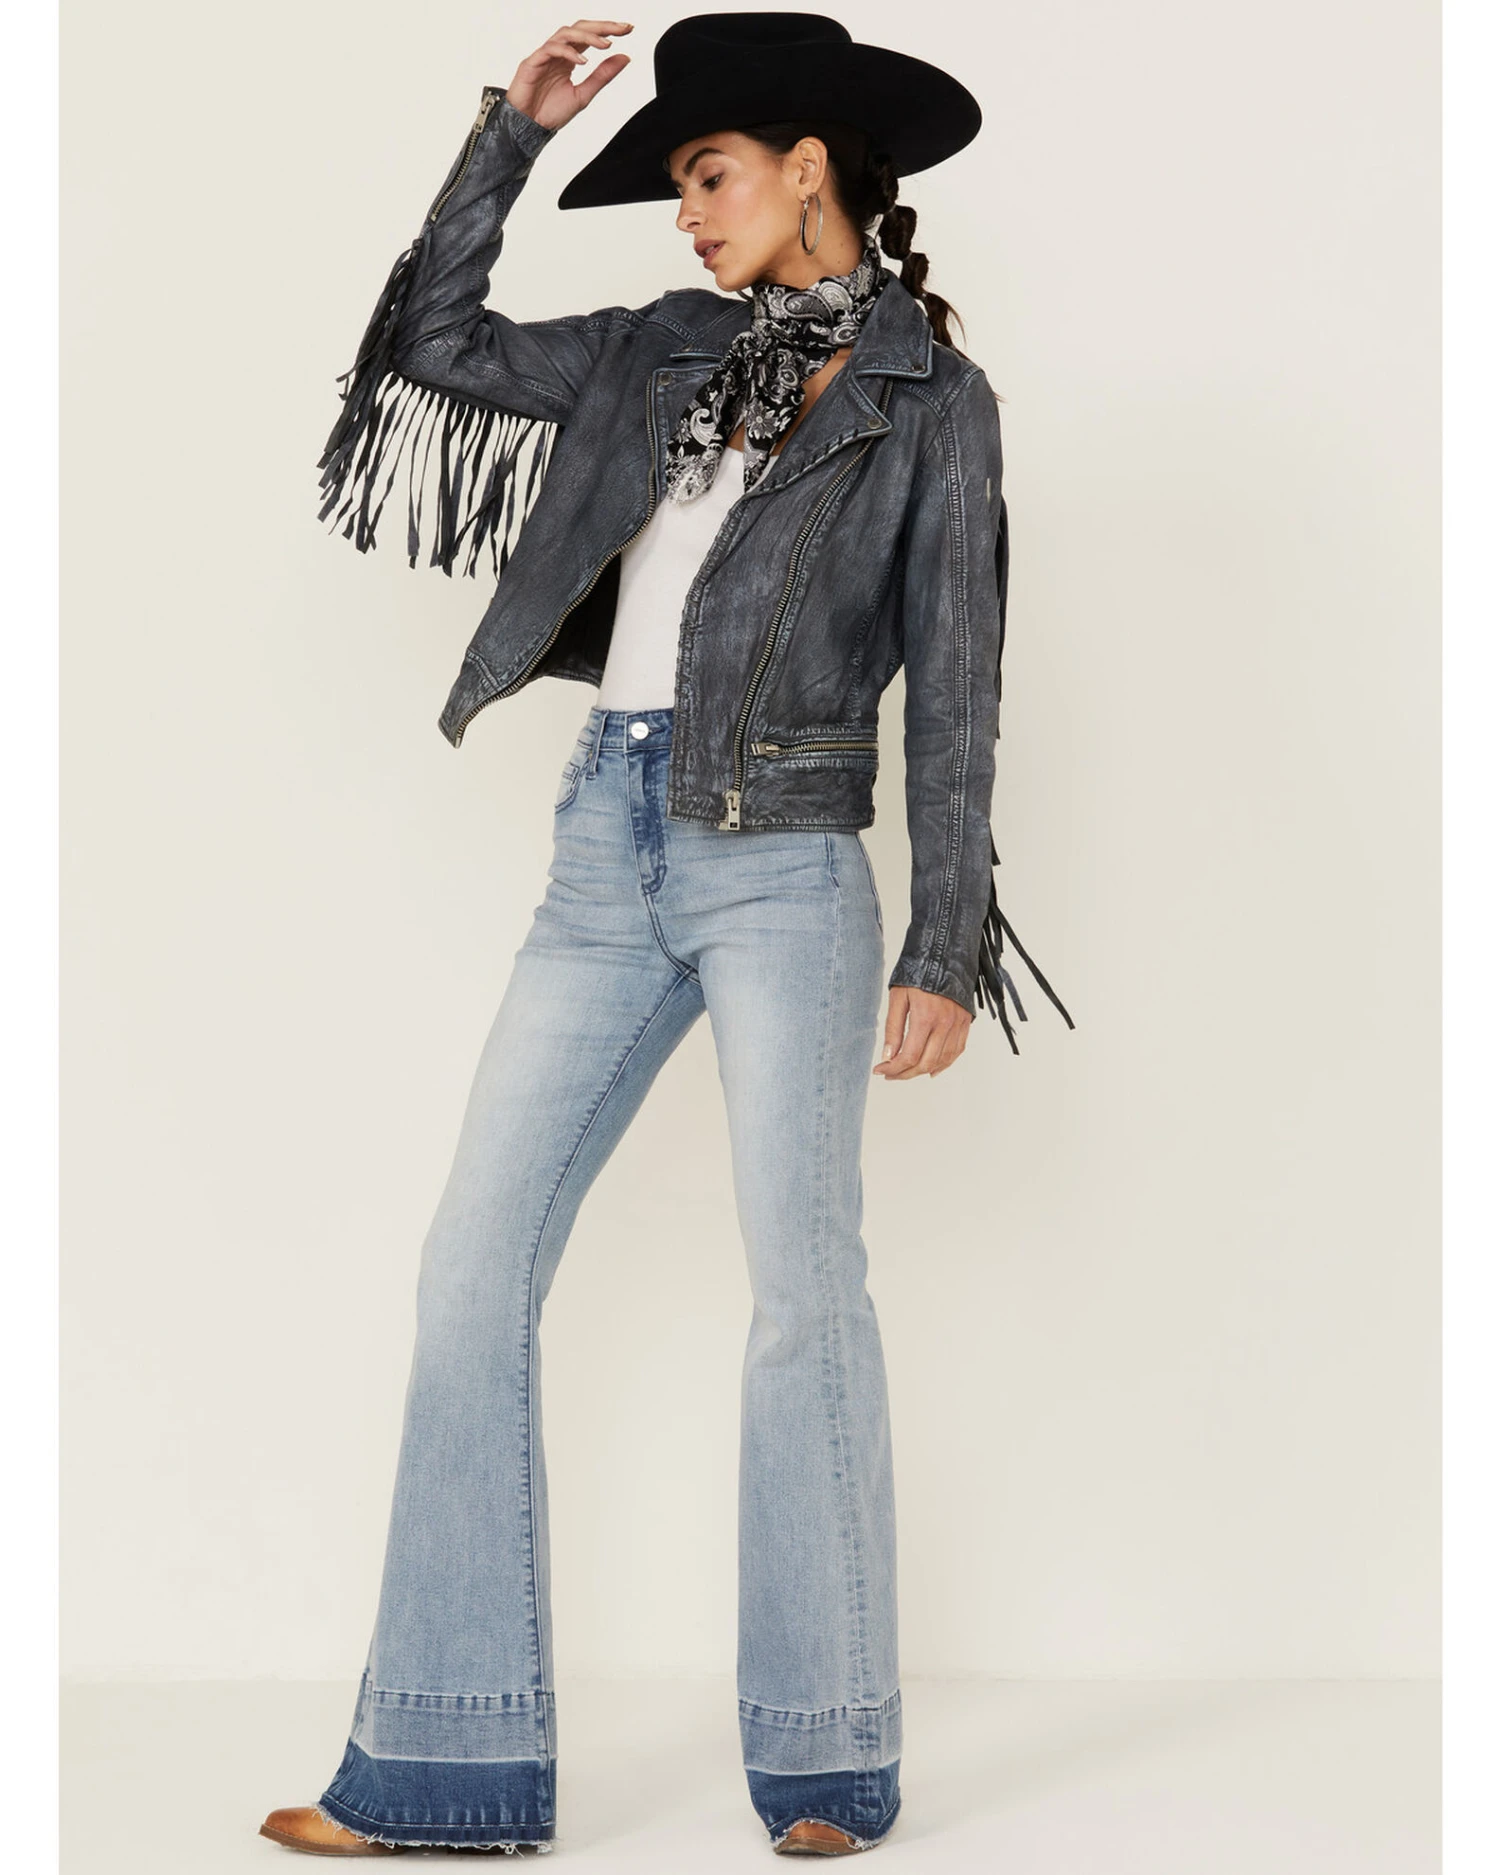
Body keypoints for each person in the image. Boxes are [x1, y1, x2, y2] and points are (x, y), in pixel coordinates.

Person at [261, 11, 1073, 1861]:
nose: (690, 215)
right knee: (472, 1271)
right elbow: (434, 347)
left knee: (803, 1299)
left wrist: (947, 936)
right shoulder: (655, 349)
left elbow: (958, 685)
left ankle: (828, 1762)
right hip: (600, 855)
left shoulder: (933, 403)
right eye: (681, 186)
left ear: (809, 166)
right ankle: (445, 1762)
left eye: (708, 175)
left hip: (786, 867)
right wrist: (513, 135)